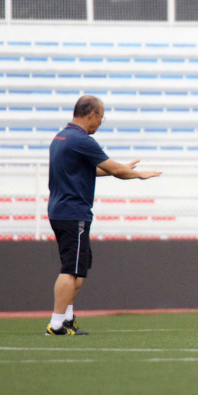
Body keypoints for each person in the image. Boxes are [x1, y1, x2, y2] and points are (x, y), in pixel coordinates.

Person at [45, 95, 162, 336]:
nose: (100, 122)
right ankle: (56, 325)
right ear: (92, 115)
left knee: (79, 267)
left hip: (62, 210)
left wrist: (119, 170)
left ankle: (66, 319)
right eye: (101, 117)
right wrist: (138, 174)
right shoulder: (82, 140)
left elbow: (90, 170)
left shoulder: (61, 137)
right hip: (72, 212)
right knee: (70, 268)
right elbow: (114, 168)